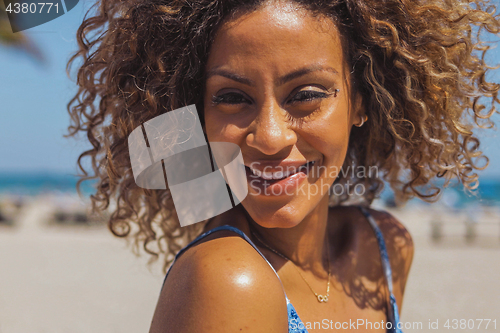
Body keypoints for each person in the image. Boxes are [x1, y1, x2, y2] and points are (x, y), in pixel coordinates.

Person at [67, 0, 500, 332]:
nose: (271, 137)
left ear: (361, 102)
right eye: (233, 97)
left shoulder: (386, 246)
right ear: (197, 117)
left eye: (306, 94)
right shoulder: (227, 279)